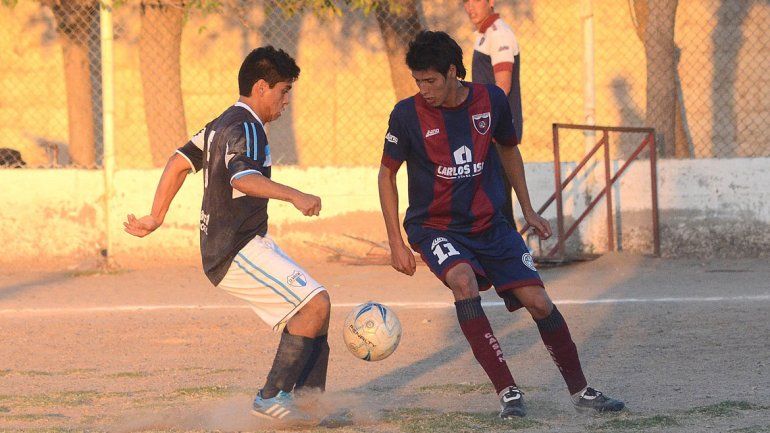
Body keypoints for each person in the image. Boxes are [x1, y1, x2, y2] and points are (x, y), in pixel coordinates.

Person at [377, 31, 624, 419]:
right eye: (418, 81)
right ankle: (508, 391)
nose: (423, 89)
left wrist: (527, 209)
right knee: (463, 280)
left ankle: (582, 392)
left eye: (431, 81)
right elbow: (386, 176)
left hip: (492, 224)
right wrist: (396, 241)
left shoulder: (490, 100)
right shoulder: (406, 115)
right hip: (435, 226)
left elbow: (509, 149)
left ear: (453, 72)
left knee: (539, 302)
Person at [124, 46, 330, 424]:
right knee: (313, 305)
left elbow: (178, 163)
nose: (286, 102)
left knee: (318, 307)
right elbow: (242, 178)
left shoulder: (221, 122)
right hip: (235, 249)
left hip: (239, 243)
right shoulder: (247, 126)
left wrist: (157, 216)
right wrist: (295, 195)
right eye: (284, 91)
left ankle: (306, 407)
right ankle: (270, 398)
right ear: (262, 87)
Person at [464, 0, 522, 228]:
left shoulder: (499, 34)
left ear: (490, 2)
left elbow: (502, 86)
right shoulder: (485, 34)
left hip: (497, 130)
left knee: (500, 200)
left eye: (475, 0)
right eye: (465, 2)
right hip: (486, 128)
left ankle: (515, 256)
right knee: (493, 198)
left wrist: (484, 126)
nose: (469, 7)